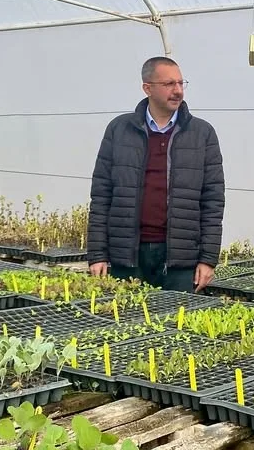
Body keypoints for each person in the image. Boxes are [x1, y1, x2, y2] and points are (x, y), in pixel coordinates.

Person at [87, 56, 224, 292]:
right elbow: (101, 196)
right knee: (128, 325)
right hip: (127, 257)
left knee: (178, 325)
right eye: (169, 84)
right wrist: (97, 254)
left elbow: (213, 200)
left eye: (181, 83)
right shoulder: (119, 130)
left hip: (180, 260)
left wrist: (208, 259)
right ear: (147, 88)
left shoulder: (202, 133)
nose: (178, 91)